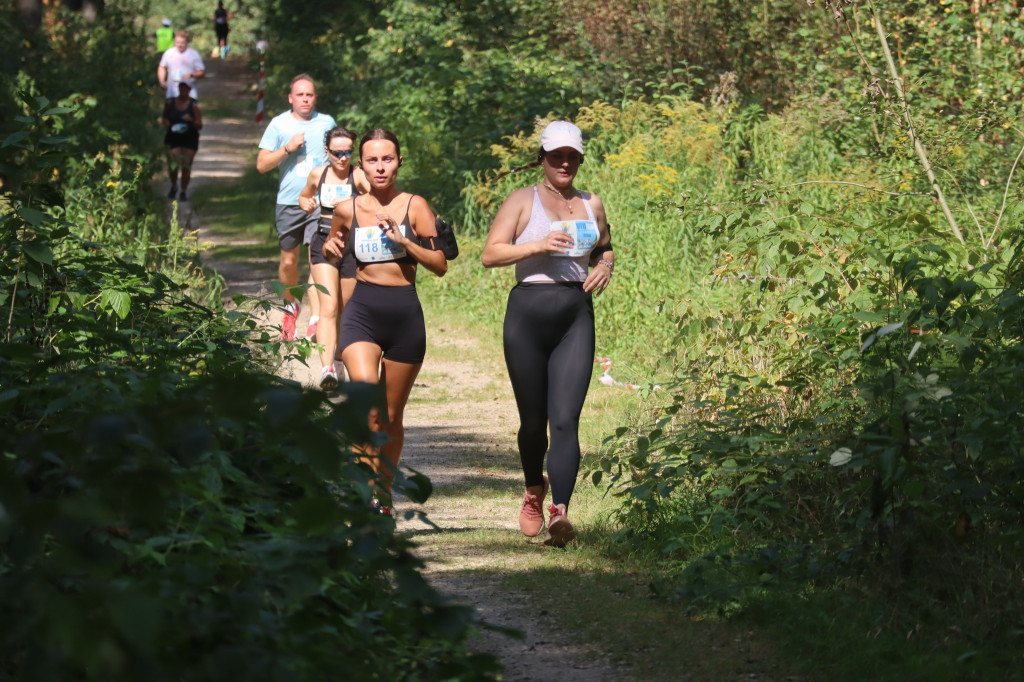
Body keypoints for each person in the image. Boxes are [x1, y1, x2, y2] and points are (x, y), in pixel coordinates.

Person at [481, 120, 614, 546]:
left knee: (566, 420)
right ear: (542, 158)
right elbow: (490, 254)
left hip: (576, 316)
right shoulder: (523, 200)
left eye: (572, 156)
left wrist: (604, 265)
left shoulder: (592, 203)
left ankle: (560, 512)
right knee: (533, 423)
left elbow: (605, 247)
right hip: (527, 314)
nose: (564, 163)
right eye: (556, 155)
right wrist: (538, 245)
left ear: (579, 159)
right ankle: (533, 490)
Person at [323, 128, 447, 514]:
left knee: (392, 417)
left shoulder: (416, 207)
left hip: (404, 315)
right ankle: (362, 496)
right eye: (373, 160)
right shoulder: (348, 208)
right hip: (363, 313)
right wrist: (330, 250)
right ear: (361, 164)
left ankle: (383, 493)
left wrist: (404, 242)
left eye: (387, 159)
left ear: (399, 162)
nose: (380, 167)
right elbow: (334, 247)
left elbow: (440, 265)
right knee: (368, 410)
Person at [256, 74, 337, 341]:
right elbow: (262, 165)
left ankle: (316, 317)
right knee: (289, 262)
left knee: (318, 259)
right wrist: (287, 148)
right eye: (300, 95)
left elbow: (340, 158)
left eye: (310, 94)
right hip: (289, 202)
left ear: (315, 97)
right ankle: (291, 305)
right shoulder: (279, 124)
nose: (305, 99)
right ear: (291, 98)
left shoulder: (327, 123)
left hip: (319, 202)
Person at [297, 126, 370, 390]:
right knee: (327, 308)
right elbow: (305, 195)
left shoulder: (358, 176)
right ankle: (326, 368)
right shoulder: (318, 174)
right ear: (327, 151)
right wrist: (305, 202)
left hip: (352, 245)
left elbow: (379, 199)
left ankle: (339, 359)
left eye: (348, 152)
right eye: (337, 152)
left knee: (345, 308)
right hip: (323, 243)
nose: (342, 157)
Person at [160, 81, 202, 201]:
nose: (183, 91)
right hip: (173, 137)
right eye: (181, 88)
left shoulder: (193, 106)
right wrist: (166, 123)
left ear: (189, 90)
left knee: (186, 166)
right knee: (173, 164)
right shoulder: (170, 103)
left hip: (189, 138)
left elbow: (199, 124)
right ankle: (174, 186)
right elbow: (164, 118)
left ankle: (183, 190)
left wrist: (191, 121)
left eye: (186, 88)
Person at [157, 31, 206, 101]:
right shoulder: (169, 53)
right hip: (172, 93)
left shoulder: (194, 54)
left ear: (187, 42)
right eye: (177, 42)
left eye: (182, 43)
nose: (180, 45)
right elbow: (162, 67)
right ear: (174, 42)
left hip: (189, 94)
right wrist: (162, 81)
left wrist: (191, 75)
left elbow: (202, 73)